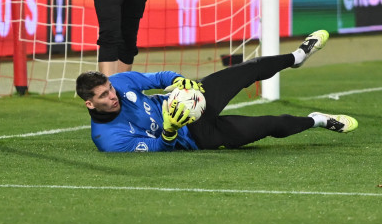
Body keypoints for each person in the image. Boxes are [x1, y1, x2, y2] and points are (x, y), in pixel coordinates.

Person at [75, 30, 359, 152]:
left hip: (192, 100)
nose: (112, 96)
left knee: (248, 69)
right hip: (199, 138)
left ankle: (296, 57)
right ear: (90, 104)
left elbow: (161, 76)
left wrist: (180, 82)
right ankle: (320, 120)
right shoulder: (108, 140)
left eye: (109, 89)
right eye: (103, 96)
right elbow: (159, 148)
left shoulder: (122, 83)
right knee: (270, 124)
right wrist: (171, 128)